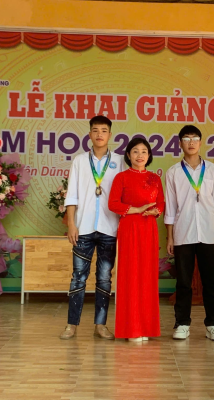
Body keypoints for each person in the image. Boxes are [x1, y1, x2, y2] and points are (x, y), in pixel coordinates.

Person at [60, 115, 124, 340]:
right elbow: (72, 195)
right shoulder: (79, 161)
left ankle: (100, 325)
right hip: (84, 228)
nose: (99, 134)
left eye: (104, 130)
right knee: (78, 277)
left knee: (104, 279)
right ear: (89, 134)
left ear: (110, 134)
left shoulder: (120, 161)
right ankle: (71, 325)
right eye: (95, 130)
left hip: (110, 228)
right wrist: (72, 224)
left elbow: (125, 195)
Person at [165, 125, 214, 341]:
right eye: (186, 138)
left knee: (211, 281)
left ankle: (213, 324)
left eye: (194, 138)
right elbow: (170, 207)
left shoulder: (212, 170)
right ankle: (182, 323)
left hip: (208, 234)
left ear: (200, 142)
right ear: (179, 143)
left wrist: (210, 222)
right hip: (183, 233)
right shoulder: (173, 172)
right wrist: (170, 236)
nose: (190, 142)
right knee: (183, 281)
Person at [108, 138, 165, 342]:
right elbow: (113, 204)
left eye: (144, 151)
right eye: (135, 151)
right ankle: (131, 329)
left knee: (147, 275)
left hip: (149, 228)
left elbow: (161, 203)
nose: (140, 155)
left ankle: (146, 327)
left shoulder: (155, 178)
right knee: (130, 275)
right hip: (129, 228)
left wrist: (156, 211)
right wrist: (137, 209)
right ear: (128, 155)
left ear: (149, 156)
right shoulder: (121, 177)